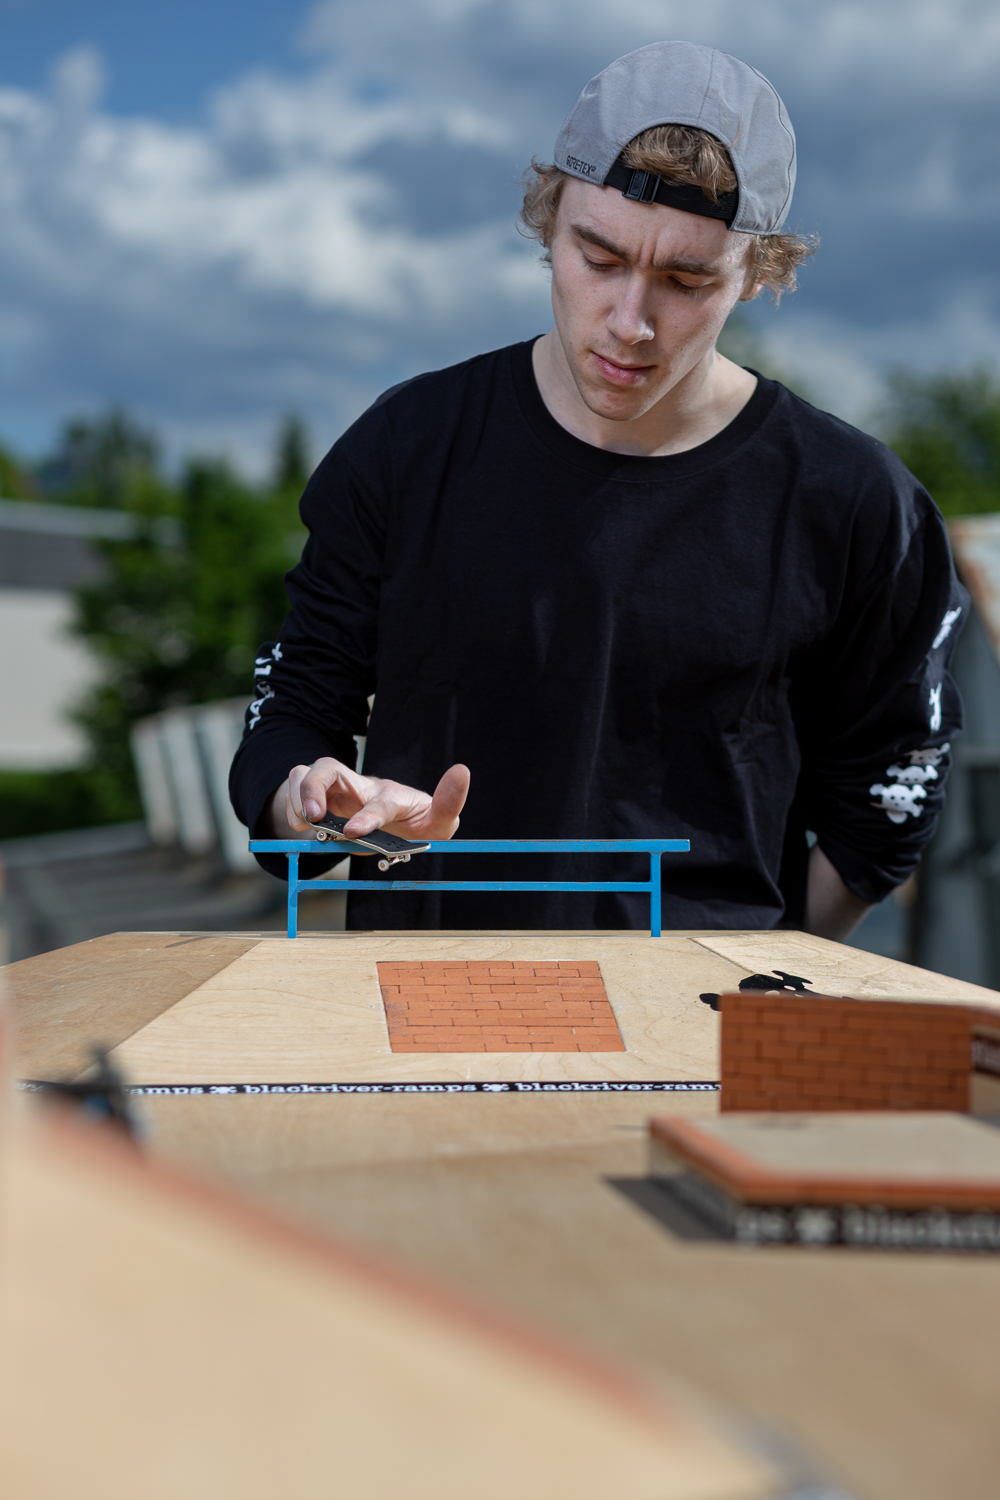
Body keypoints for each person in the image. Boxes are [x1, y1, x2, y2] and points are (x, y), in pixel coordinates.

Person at [230, 40, 965, 939]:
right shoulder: (407, 446)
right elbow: (294, 711)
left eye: (686, 280)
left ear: (758, 271)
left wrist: (741, 979)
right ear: (549, 221)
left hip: (696, 1046)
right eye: (600, 257)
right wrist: (315, 802)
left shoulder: (852, 503)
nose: (630, 322)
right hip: (418, 1021)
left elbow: (889, 796)